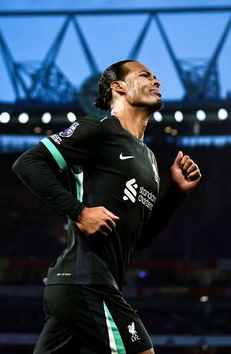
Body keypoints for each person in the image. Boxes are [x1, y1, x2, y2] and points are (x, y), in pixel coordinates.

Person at [13, 60, 201, 354]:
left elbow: (141, 239)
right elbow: (27, 163)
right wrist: (79, 212)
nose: (157, 82)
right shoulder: (98, 129)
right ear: (119, 86)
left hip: (84, 287)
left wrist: (175, 193)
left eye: (156, 77)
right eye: (145, 75)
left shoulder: (149, 159)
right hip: (85, 282)